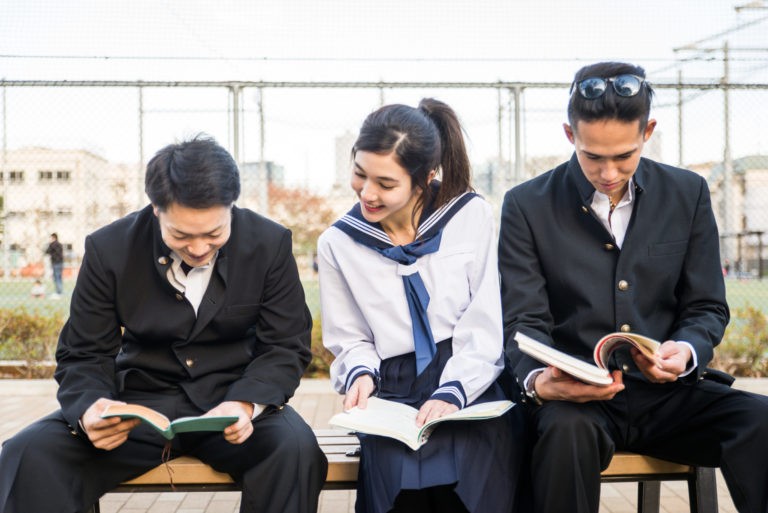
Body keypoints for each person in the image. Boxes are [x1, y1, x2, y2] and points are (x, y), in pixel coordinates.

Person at [0, 136, 327, 513]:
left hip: (232, 404)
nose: (200, 248)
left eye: (214, 233)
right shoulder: (109, 249)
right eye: (182, 235)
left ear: (231, 208)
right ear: (156, 209)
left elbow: (285, 345)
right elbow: (83, 352)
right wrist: (91, 408)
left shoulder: (270, 244)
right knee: (30, 454)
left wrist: (245, 402)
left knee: (296, 450)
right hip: (138, 406)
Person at [498, 61, 768, 513]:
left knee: (761, 421)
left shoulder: (688, 193)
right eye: (592, 156)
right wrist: (540, 382)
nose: (607, 172)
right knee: (564, 435)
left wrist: (685, 351)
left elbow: (706, 307)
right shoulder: (526, 205)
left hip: (671, 398)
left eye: (623, 156)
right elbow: (523, 320)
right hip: (577, 403)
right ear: (570, 135)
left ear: (648, 132)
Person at [318, 98, 527, 513]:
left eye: (386, 183)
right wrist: (359, 373)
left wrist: (455, 389)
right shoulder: (338, 242)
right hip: (391, 386)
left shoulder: (470, 215)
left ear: (426, 176)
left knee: (476, 479)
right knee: (398, 487)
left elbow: (484, 321)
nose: (368, 193)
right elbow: (351, 338)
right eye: (360, 174)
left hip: (471, 374)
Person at [45, 232, 64, 297]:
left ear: (53, 237)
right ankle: (60, 291)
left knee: (56, 277)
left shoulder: (52, 244)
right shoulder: (60, 244)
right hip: (61, 262)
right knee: (59, 277)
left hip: (55, 262)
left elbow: (47, 251)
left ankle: (58, 292)